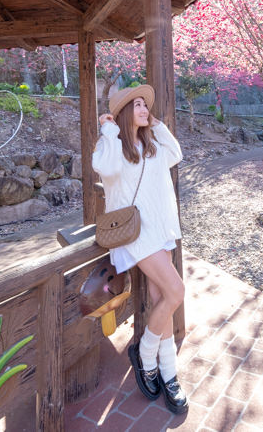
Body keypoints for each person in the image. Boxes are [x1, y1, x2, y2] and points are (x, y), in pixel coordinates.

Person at [92, 84, 188, 414]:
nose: (144, 109)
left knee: (163, 298)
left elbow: (176, 154)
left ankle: (169, 373)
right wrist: (108, 129)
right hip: (137, 235)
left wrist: (156, 124)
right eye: (137, 106)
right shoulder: (114, 146)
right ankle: (145, 354)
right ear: (122, 113)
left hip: (161, 229)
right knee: (176, 291)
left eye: (146, 105)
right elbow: (106, 169)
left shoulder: (153, 145)